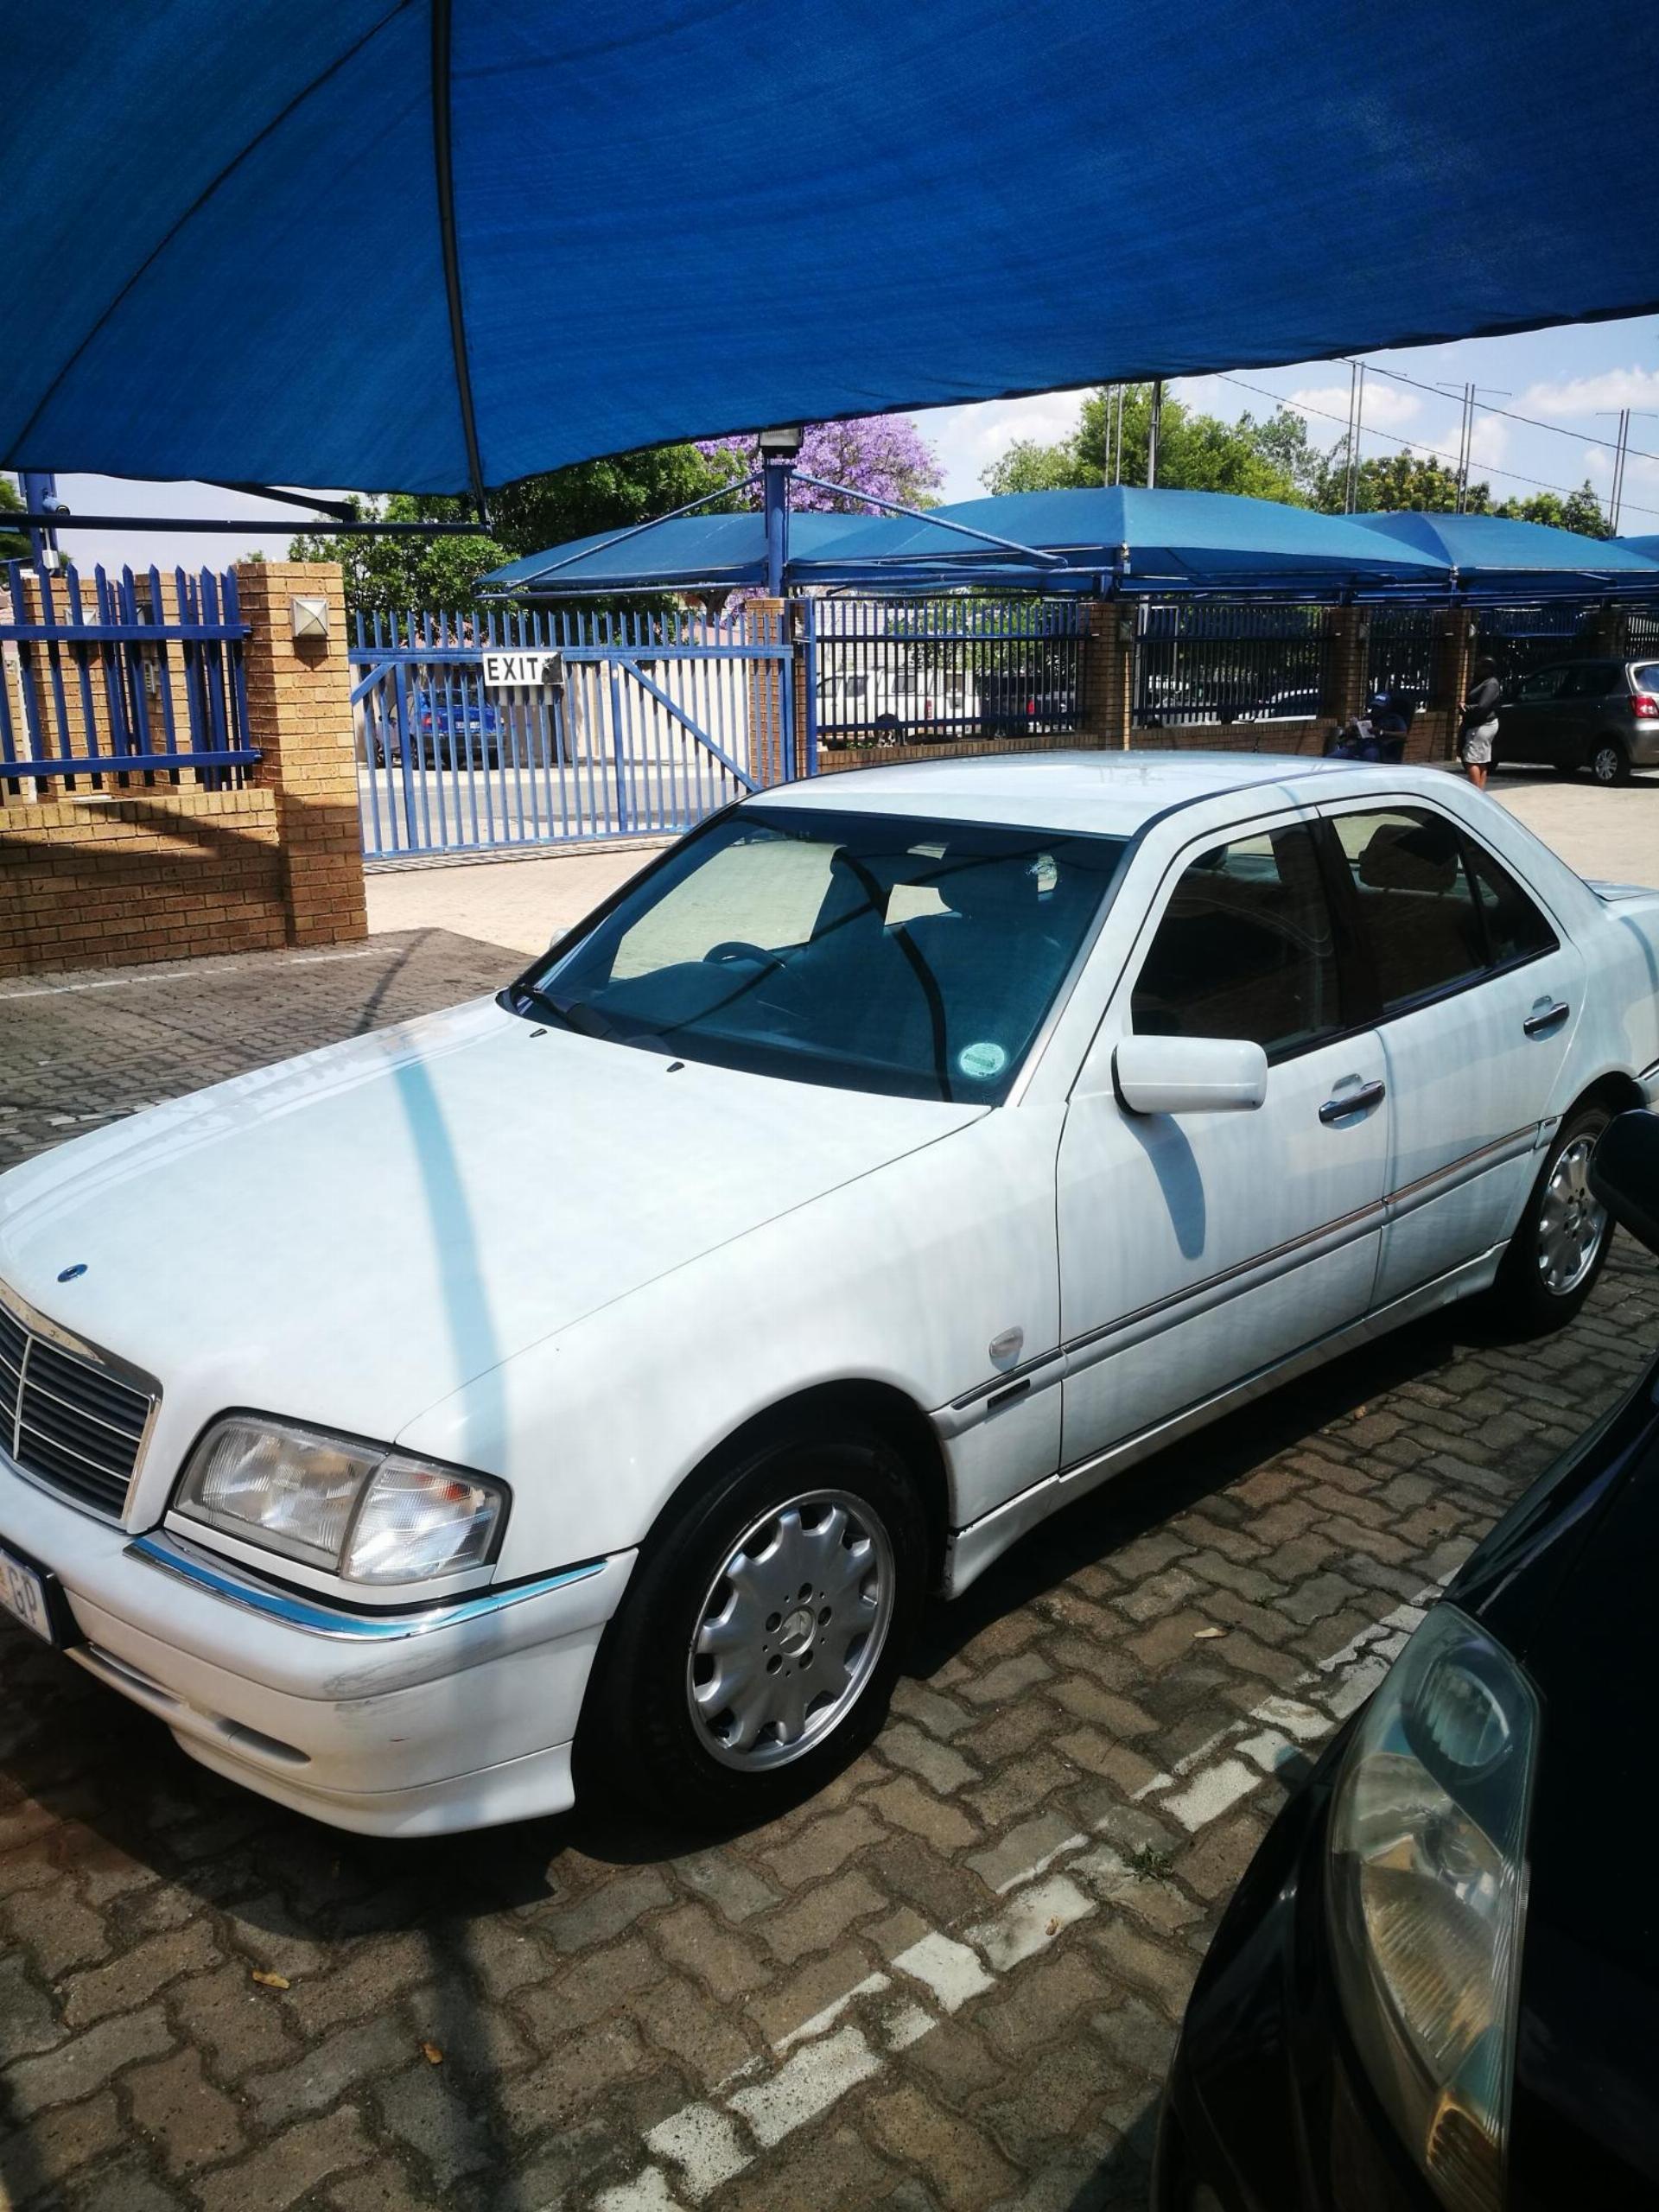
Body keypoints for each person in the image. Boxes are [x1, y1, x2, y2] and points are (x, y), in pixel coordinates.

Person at [1459, 658, 1502, 791]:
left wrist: (1466, 708)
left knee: (1471, 760)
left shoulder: (1491, 684)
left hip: (1482, 725)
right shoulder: (1483, 682)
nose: (1477, 670)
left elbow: (1483, 706)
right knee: (1480, 760)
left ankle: (1475, 792)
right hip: (1482, 724)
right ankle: (1480, 791)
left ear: (1488, 669)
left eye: (1480, 667)